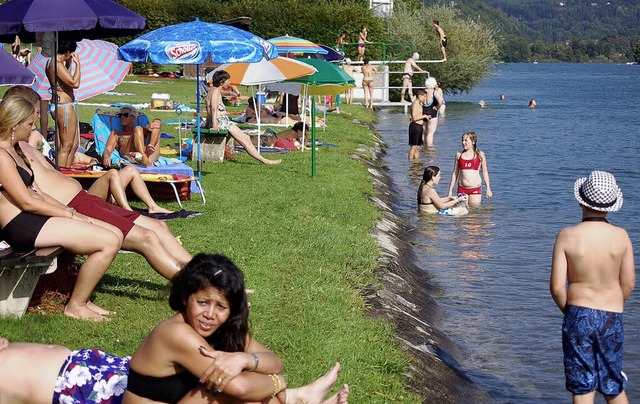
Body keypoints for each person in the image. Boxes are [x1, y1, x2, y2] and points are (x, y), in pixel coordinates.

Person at [124, 253, 349, 403]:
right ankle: (297, 398)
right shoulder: (176, 333)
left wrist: (245, 359)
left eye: (221, 306)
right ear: (185, 298)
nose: (210, 314)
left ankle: (299, 398)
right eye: (202, 303)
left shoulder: (220, 325)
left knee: (241, 388)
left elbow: (274, 361)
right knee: (216, 390)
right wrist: (279, 383)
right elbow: (240, 388)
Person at [0, 96, 122, 321]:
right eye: (29, 124)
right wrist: (68, 214)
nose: (34, 128)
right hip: (20, 224)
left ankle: (82, 300)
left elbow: (39, 193)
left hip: (32, 218)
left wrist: (72, 212)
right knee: (108, 241)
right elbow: (26, 201)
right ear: (14, 124)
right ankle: (76, 305)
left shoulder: (16, 151)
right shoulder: (1, 156)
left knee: (115, 232)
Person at [19, 139, 193, 283]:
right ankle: (193, 286)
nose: (34, 126)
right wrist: (67, 212)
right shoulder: (9, 154)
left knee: (159, 226)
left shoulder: (24, 145)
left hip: (86, 199)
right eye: (30, 120)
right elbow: (30, 196)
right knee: (147, 238)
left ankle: (201, 270)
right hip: (76, 206)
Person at [6, 85, 172, 215]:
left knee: (150, 130)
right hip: (75, 198)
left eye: (126, 115)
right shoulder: (116, 133)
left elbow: (71, 153)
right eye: (120, 115)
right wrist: (105, 156)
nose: (122, 117)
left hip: (136, 153)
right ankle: (128, 212)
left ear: (134, 118)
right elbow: (106, 150)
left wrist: (89, 160)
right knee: (114, 173)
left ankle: (152, 206)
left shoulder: (29, 144)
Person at [550, 171, 635, 404]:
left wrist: (571, 312)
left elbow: (557, 287)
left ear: (581, 200)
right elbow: (628, 283)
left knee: (582, 386)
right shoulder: (621, 236)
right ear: (611, 205)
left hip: (578, 312)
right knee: (612, 382)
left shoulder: (567, 236)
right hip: (611, 314)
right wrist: (613, 304)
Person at [206, 70, 281, 165]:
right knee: (245, 139)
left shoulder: (212, 90)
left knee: (246, 138)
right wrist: (215, 126)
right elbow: (213, 110)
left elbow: (212, 110)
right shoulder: (216, 92)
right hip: (221, 122)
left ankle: (262, 159)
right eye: (228, 81)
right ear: (221, 82)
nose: (229, 83)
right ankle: (264, 160)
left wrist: (208, 123)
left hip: (221, 121)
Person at [46, 40, 81, 168]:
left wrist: (69, 64)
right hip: (63, 107)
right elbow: (74, 83)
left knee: (74, 144)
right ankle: (61, 175)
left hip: (63, 105)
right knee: (66, 146)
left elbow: (63, 79)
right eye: (71, 53)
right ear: (67, 52)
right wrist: (78, 65)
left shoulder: (53, 62)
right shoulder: (56, 64)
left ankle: (67, 172)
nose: (72, 55)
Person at [447, 131, 493, 208]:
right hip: (462, 189)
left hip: (475, 189)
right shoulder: (459, 155)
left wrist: (488, 188)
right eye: (462, 140)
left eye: (466, 140)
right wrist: (450, 190)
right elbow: (455, 173)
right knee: (462, 213)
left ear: (473, 142)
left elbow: (485, 172)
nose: (463, 142)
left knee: (474, 214)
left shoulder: (480, 155)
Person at [422, 77, 444, 146]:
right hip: (432, 113)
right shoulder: (434, 92)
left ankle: (423, 146)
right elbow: (441, 101)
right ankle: (429, 148)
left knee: (424, 132)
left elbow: (414, 100)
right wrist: (437, 107)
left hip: (423, 113)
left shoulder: (422, 92)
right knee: (430, 133)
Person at [408, 89, 429, 161]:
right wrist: (424, 116)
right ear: (419, 96)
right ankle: (410, 162)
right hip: (415, 126)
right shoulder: (415, 104)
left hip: (419, 126)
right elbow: (414, 118)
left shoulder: (419, 104)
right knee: (414, 146)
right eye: (424, 96)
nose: (425, 98)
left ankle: (416, 162)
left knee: (417, 147)